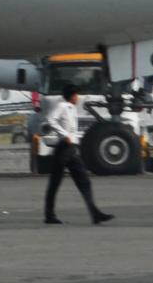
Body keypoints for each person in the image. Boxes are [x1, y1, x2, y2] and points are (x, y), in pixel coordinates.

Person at [35, 86, 113, 226]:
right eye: (76, 95)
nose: (78, 97)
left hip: (71, 150)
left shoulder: (72, 109)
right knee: (55, 183)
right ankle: (49, 215)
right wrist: (64, 135)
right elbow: (51, 120)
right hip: (63, 149)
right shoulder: (62, 106)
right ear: (72, 96)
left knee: (84, 181)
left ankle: (95, 214)